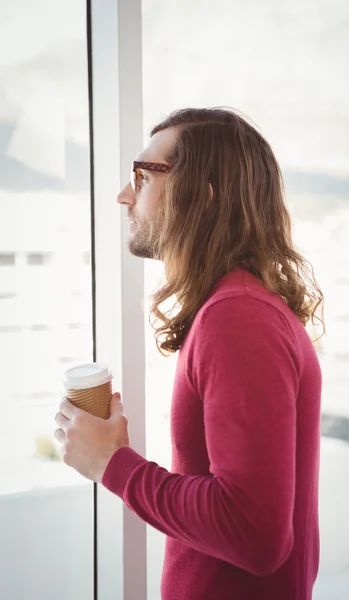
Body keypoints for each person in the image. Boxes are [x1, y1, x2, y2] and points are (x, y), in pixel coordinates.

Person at [55, 108, 323, 600]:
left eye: (143, 176)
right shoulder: (237, 308)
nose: (123, 195)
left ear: (202, 194)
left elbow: (256, 534)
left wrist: (112, 463)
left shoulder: (237, 318)